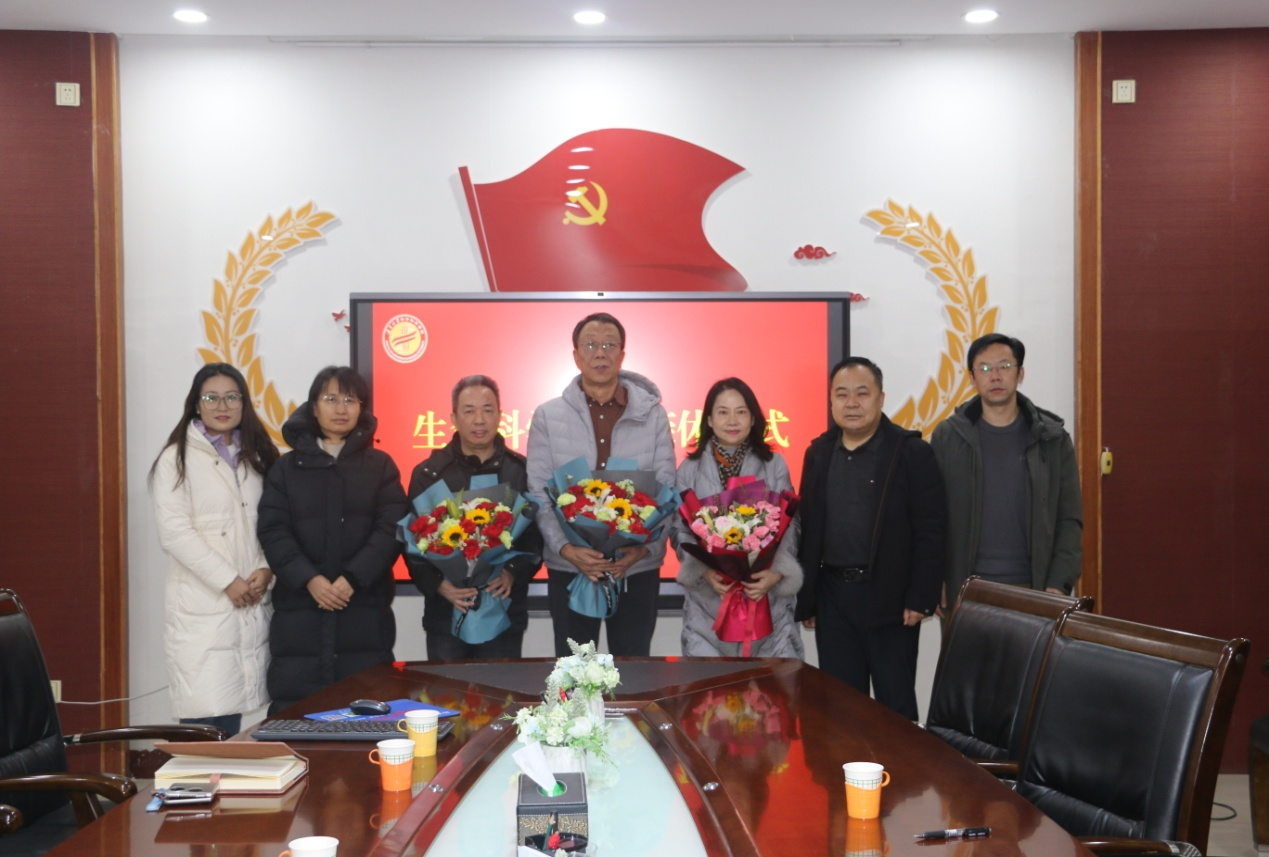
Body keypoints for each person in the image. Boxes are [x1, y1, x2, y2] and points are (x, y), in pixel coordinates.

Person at [795, 357, 945, 720]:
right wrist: (808, 598)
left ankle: (901, 762)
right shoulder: (818, 453)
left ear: (881, 398)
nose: (851, 403)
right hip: (833, 597)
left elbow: (932, 529)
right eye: (841, 394)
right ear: (831, 401)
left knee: (895, 710)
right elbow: (808, 527)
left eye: (862, 393)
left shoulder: (911, 452)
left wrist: (921, 597)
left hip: (892, 599)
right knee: (841, 709)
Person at [257, 366, 408, 712]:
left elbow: (392, 528)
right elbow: (273, 530)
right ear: (313, 407)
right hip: (300, 615)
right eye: (331, 399)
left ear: (362, 408)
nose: (341, 409)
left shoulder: (380, 466)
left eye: (351, 400)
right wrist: (310, 579)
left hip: (364, 612)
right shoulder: (286, 469)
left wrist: (352, 578)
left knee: (367, 716)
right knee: (298, 716)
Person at [527, 312, 676, 657]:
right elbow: (538, 492)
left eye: (609, 345)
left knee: (634, 668)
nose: (600, 353)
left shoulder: (653, 415)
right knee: (575, 672)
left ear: (622, 355)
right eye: (591, 345)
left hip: (635, 568)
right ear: (576, 355)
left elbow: (667, 487)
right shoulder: (548, 416)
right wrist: (567, 549)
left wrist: (643, 550)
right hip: (571, 567)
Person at [149, 363, 280, 735]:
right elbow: (175, 534)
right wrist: (228, 581)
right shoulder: (176, 459)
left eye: (231, 397)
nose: (222, 406)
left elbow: (275, 523)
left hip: (252, 599)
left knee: (239, 718)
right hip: (204, 605)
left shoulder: (260, 456)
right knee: (207, 724)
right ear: (196, 404)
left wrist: (266, 568)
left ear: (243, 403)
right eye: (211, 397)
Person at [930, 333, 1082, 613]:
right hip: (965, 589)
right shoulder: (948, 437)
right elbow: (931, 516)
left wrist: (1058, 584)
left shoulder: (1052, 438)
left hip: (1034, 589)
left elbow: (1069, 518)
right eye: (985, 368)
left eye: (1005, 366)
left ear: (1020, 374)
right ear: (972, 378)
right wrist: (933, 577)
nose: (995, 376)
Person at [405, 375, 542, 660]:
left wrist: (512, 572)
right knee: (446, 689)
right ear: (454, 418)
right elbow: (412, 544)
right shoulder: (429, 474)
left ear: (500, 416)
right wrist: (438, 584)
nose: (479, 420)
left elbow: (535, 538)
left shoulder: (521, 471)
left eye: (487, 410)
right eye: (469, 411)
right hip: (446, 614)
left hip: (503, 609)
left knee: (501, 689)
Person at [672, 378, 803, 657]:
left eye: (741, 412)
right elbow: (680, 531)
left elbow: (790, 525)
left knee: (772, 684)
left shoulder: (774, 464)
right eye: (723, 412)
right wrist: (704, 572)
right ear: (709, 420)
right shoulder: (688, 469)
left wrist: (775, 573)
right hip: (707, 607)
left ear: (753, 419)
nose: (732, 421)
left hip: (767, 601)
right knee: (709, 684)